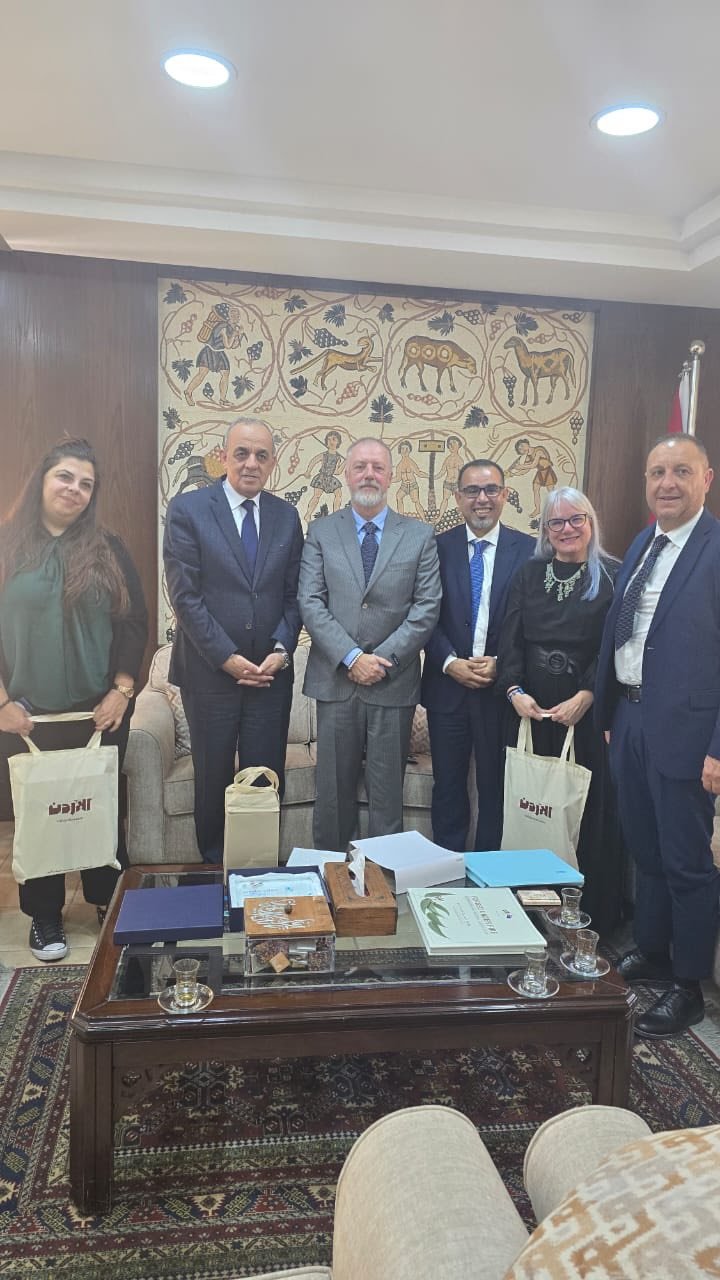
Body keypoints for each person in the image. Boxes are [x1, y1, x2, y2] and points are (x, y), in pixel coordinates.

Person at [0, 438, 148, 961]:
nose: (75, 489)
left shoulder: (109, 548)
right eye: (65, 477)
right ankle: (45, 915)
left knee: (99, 809)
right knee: (40, 816)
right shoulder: (6, 546)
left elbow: (133, 623)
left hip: (97, 713)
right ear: (41, 479)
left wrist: (122, 692)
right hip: (25, 717)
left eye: (86, 483)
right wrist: (1, 703)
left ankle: (109, 901)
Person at [595, 433, 720, 1037]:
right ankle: (651, 951)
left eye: (681, 471)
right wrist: (612, 716)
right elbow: (623, 632)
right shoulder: (645, 542)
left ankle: (688, 986)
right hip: (632, 719)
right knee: (644, 850)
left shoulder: (715, 550)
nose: (667, 483)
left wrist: (718, 748)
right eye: (657, 473)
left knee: (686, 861)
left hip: (689, 734)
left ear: (706, 479)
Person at [164, 417, 303, 863]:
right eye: (241, 453)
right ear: (223, 457)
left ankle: (259, 869)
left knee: (264, 780)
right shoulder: (188, 510)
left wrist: (281, 650)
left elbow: (294, 595)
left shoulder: (286, 516)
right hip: (209, 675)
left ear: (272, 463)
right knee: (213, 777)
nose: (250, 463)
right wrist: (226, 657)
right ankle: (214, 868)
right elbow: (185, 598)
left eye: (261, 455)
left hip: (269, 677)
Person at [298, 437, 441, 850]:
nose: (369, 475)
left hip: (392, 682)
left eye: (378, 467)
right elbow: (310, 601)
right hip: (336, 680)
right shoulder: (321, 531)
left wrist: (382, 659)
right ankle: (330, 876)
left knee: (386, 795)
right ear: (346, 474)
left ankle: (382, 880)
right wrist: (351, 657)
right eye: (360, 466)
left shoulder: (419, 535)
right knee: (332, 794)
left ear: (391, 476)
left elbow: (427, 607)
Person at [497, 486, 624, 935]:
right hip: (530, 712)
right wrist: (514, 690)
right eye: (556, 522)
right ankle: (529, 912)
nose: (567, 529)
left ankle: (587, 918)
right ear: (546, 530)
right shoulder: (529, 573)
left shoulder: (613, 575)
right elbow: (510, 638)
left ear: (591, 522)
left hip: (586, 714)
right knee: (532, 809)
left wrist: (588, 695)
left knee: (582, 813)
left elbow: (615, 646)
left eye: (576, 519)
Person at [422, 459, 534, 851]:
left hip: (500, 692)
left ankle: (489, 872)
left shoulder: (530, 551)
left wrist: (503, 663)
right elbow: (423, 615)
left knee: (496, 787)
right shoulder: (435, 548)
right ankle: (446, 868)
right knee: (448, 787)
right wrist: (449, 662)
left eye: (490, 489)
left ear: (504, 495)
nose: (481, 498)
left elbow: (534, 623)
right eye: (472, 490)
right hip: (447, 689)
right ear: (458, 497)